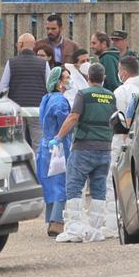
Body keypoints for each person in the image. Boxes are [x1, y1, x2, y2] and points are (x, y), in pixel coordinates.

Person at [49, 63, 116, 243]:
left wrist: (59, 136)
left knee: (74, 186)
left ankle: (75, 228)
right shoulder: (111, 96)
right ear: (103, 78)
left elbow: (73, 117)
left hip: (84, 148)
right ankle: (94, 230)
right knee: (99, 188)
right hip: (104, 149)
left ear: (88, 78)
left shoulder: (83, 94)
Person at [103, 55, 139, 239]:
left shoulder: (121, 91)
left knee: (113, 182)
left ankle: (114, 224)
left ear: (122, 72)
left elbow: (117, 119)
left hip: (122, 140)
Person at [37, 67, 74, 237]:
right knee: (61, 184)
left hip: (45, 146)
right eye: (66, 78)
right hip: (59, 147)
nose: (69, 80)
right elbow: (66, 124)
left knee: (50, 183)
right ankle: (57, 221)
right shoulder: (60, 101)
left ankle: (51, 218)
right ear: (59, 82)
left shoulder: (46, 98)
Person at [0, 33, 50, 146]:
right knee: (38, 143)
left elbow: (3, 88)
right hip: (38, 109)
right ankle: (38, 163)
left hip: (18, 109)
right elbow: (50, 87)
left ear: (21, 44)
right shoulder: (44, 64)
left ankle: (22, 163)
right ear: (34, 45)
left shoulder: (11, 63)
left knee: (18, 143)